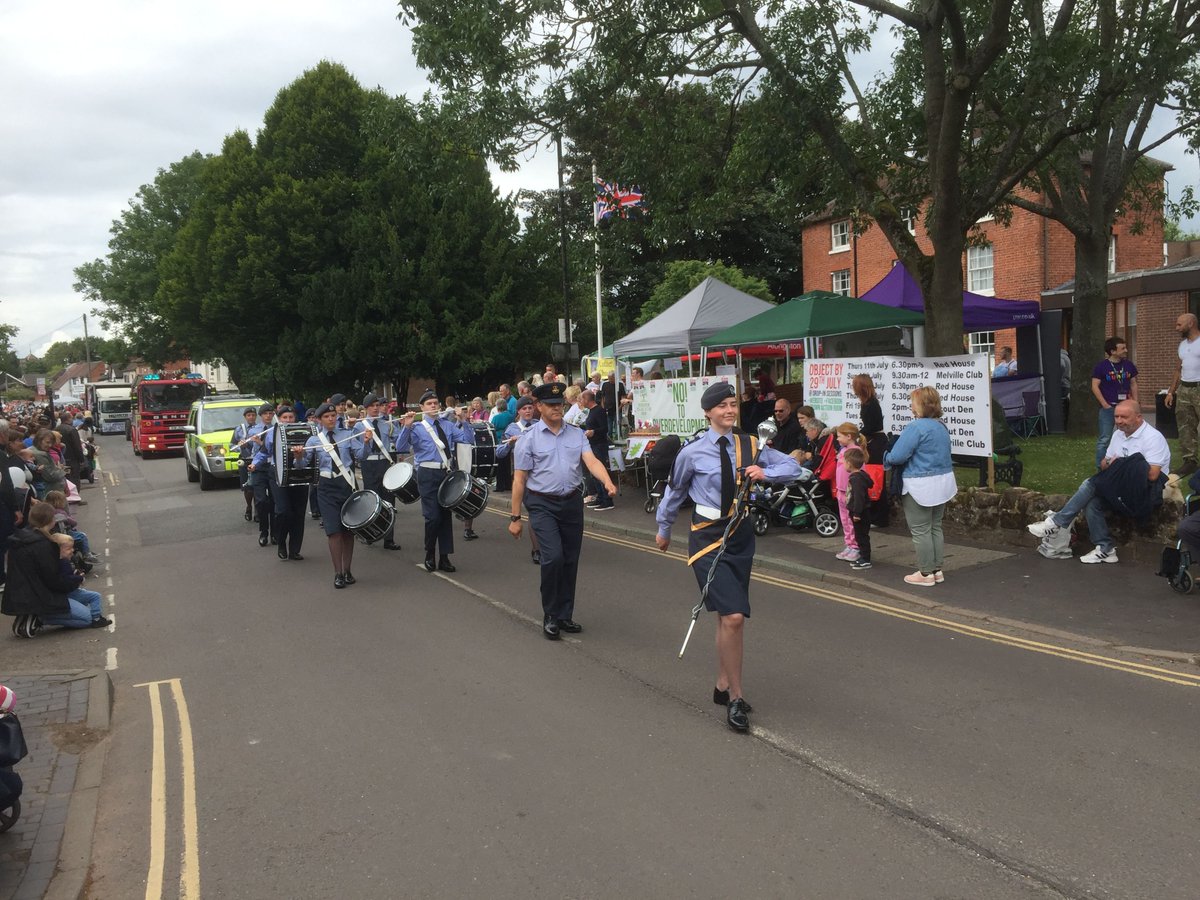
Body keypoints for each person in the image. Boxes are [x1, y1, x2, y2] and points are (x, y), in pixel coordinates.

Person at [654, 382, 802, 732]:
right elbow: (675, 491)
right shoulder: (691, 452)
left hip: (739, 535)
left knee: (729, 616)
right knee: (734, 615)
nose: (729, 410)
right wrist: (664, 527)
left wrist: (766, 472)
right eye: (721, 405)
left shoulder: (750, 445)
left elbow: (794, 469)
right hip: (706, 536)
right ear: (707, 412)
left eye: (733, 404)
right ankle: (736, 697)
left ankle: (722, 685)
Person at [509, 381, 617, 640]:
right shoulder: (528, 439)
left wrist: (607, 481)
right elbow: (519, 479)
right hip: (541, 503)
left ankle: (565, 615)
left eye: (559, 404)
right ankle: (551, 614)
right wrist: (515, 517)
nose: (557, 408)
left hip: (571, 503)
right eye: (551, 405)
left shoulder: (576, 434)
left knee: (570, 559)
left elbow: (591, 461)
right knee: (553, 557)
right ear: (538, 406)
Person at [1028, 400, 1169, 564]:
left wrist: (1121, 465)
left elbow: (1152, 475)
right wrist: (1113, 464)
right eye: (1116, 416)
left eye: (1124, 417)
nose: (1119, 421)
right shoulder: (1118, 435)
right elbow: (1104, 464)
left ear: (1139, 417)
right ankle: (1105, 548)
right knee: (1092, 502)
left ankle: (1057, 522)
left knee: (1091, 483)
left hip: (1144, 492)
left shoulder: (1153, 438)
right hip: (1121, 488)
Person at [395, 390, 475, 573]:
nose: (433, 406)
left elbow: (468, 440)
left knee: (445, 516)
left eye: (435, 403)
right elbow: (400, 448)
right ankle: (430, 553)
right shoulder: (417, 427)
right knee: (433, 517)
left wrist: (463, 421)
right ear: (422, 408)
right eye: (429, 404)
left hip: (446, 472)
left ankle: (444, 557)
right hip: (427, 474)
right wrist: (406, 427)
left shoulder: (448, 425)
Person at [883, 386, 956, 587]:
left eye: (913, 403)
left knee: (921, 530)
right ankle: (936, 570)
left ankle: (925, 573)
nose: (911, 407)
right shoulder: (941, 426)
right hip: (943, 481)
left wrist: (886, 456)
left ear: (920, 405)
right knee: (935, 527)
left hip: (919, 483)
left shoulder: (915, 428)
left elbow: (897, 456)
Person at [2, 501, 109, 637]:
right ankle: (40, 618)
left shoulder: (19, 539)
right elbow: (54, 580)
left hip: (22, 596)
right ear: (51, 520)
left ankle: (31, 615)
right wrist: (76, 580)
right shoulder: (44, 544)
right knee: (88, 618)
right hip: (43, 597)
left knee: (84, 605)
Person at [303, 403, 362, 588]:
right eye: (326, 416)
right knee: (333, 531)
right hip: (326, 487)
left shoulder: (347, 434)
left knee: (348, 530)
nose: (331, 419)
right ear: (319, 420)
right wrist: (297, 456)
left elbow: (361, 455)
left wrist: (367, 442)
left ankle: (348, 570)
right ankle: (338, 573)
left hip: (347, 484)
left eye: (333, 415)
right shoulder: (314, 440)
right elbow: (302, 464)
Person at [254, 405, 309, 561]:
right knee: (283, 511)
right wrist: (255, 464)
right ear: (279, 419)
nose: (288, 420)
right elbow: (264, 452)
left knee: (298, 513)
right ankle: (281, 542)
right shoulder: (272, 433)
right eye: (284, 417)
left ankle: (294, 550)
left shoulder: (304, 431)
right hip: (277, 474)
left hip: (299, 473)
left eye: (291, 417)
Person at [495, 396, 541, 563]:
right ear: (519, 411)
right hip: (523, 476)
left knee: (542, 513)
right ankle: (537, 550)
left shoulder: (539, 425)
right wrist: (510, 444)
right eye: (524, 409)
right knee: (534, 513)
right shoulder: (512, 428)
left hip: (541, 474)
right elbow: (499, 452)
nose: (528, 411)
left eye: (530, 408)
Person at [353, 393, 401, 551]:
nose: (375, 408)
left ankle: (389, 538)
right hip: (369, 463)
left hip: (384, 462)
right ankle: (369, 533)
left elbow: (398, 439)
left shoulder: (386, 424)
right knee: (371, 499)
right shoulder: (359, 426)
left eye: (377, 405)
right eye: (372, 406)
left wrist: (405, 426)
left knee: (389, 500)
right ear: (366, 408)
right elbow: (357, 451)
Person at [1091, 337, 1139, 470]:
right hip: (1109, 408)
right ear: (1112, 351)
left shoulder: (1128, 365)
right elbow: (1095, 386)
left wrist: (1135, 402)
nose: (1126, 350)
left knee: (1128, 436)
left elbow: (1133, 384)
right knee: (1105, 439)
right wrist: (1105, 404)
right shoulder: (1101, 367)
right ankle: (1101, 468)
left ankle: (1125, 465)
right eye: (1122, 348)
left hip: (1126, 408)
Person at [1166, 314, 1200, 477]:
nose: (1176, 328)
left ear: (1191, 323)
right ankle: (1190, 462)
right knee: (1185, 426)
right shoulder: (1183, 345)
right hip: (1184, 389)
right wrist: (1171, 392)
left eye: (1179, 325)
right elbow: (1178, 369)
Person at [853, 374, 890, 527]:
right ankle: (875, 515)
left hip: (876, 443)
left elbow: (871, 426)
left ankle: (880, 517)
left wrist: (857, 434)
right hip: (873, 440)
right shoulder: (868, 403)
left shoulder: (870, 405)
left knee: (876, 479)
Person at [833, 423, 869, 562]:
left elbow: (860, 474)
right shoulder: (843, 450)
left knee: (851, 520)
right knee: (844, 520)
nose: (837, 439)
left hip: (851, 492)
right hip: (841, 490)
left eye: (839, 436)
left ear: (849, 436)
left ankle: (855, 546)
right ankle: (849, 544)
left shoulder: (855, 452)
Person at [246, 403, 276, 547]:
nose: (268, 416)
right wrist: (244, 445)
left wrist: (260, 442)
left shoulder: (276, 429)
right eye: (265, 414)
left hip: (272, 466)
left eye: (270, 413)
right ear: (261, 415)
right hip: (257, 467)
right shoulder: (253, 430)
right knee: (261, 501)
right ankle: (264, 531)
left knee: (274, 501)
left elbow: (272, 449)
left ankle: (275, 533)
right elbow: (249, 450)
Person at [581, 390, 613, 510]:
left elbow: (605, 428)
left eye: (582, 399)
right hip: (593, 444)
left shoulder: (599, 411)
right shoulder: (591, 411)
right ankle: (600, 497)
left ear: (587, 400)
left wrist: (593, 432)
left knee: (600, 471)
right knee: (593, 474)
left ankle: (607, 500)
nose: (581, 401)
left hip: (599, 445)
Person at [844, 447, 874, 571]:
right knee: (860, 535)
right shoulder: (861, 476)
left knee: (861, 536)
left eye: (844, 461)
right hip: (862, 511)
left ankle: (865, 560)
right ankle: (863, 557)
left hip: (859, 512)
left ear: (849, 463)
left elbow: (858, 497)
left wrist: (857, 513)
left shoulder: (856, 479)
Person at [231, 407, 258, 521]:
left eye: (253, 415)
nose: (251, 417)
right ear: (245, 417)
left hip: (256, 459)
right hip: (244, 459)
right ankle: (249, 506)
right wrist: (240, 447)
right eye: (249, 415)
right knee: (247, 487)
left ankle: (257, 510)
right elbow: (232, 445)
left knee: (257, 485)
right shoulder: (239, 429)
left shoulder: (259, 428)